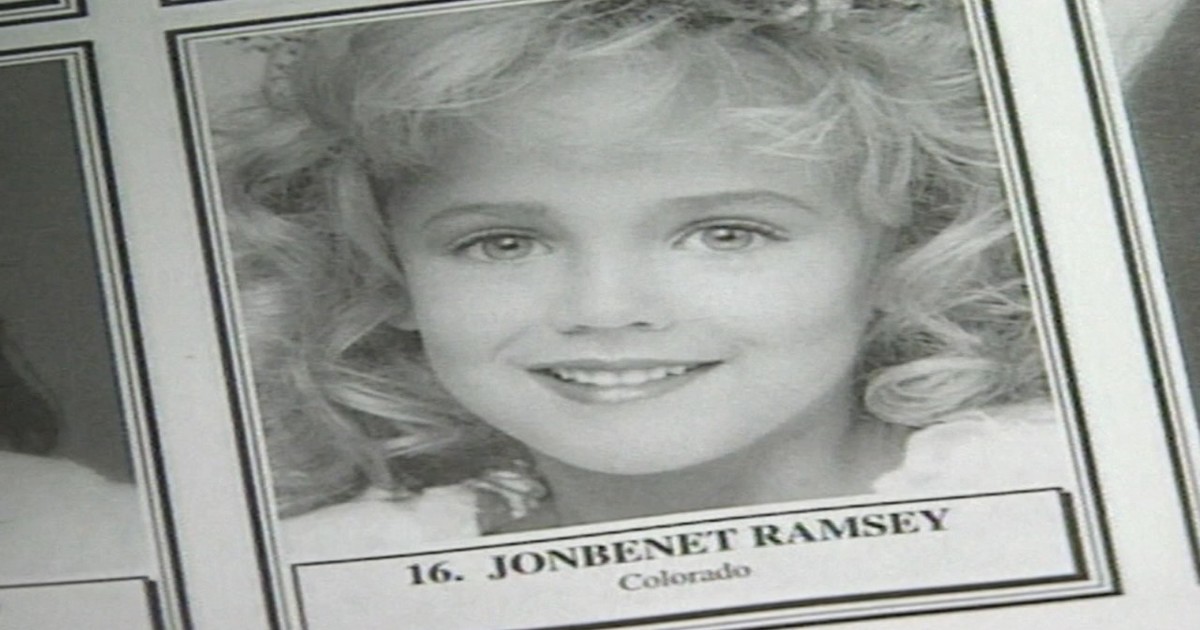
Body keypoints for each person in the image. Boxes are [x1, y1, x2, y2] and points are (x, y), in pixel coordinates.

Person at [216, 0, 1072, 556]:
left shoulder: (1056, 489)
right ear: (388, 275)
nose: (605, 309)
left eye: (725, 234)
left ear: (902, 253)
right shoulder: (337, 572)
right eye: (503, 243)